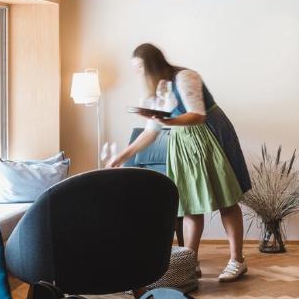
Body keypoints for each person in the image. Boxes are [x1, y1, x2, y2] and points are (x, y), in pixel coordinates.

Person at [107, 44, 252, 283]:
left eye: (140, 68)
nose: (138, 74)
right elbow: (151, 133)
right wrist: (122, 156)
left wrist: (166, 119)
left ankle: (237, 260)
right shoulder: (156, 92)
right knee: (189, 204)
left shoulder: (185, 77)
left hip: (209, 136)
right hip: (182, 143)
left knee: (226, 199)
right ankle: (189, 262)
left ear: (152, 64)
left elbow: (198, 114)